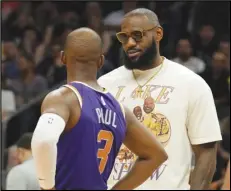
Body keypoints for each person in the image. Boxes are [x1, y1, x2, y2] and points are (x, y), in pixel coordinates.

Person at [98, 8, 222, 190]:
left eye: (137, 35)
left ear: (158, 34)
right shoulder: (104, 84)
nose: (130, 43)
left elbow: (206, 152)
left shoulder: (191, 83)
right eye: (124, 37)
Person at [31, 28, 168, 190]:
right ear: (101, 61)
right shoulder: (120, 110)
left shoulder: (63, 98)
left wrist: (47, 187)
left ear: (62, 58)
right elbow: (157, 155)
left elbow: (44, 140)